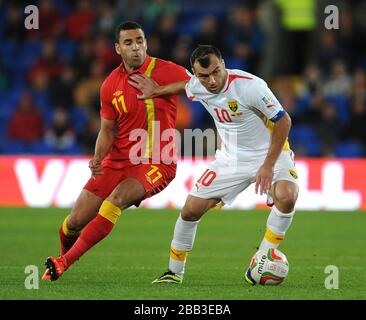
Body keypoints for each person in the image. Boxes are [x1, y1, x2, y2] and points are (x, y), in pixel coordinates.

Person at [128, 45, 299, 284]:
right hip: (231, 159)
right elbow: (186, 87)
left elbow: (283, 121)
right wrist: (157, 91)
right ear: (196, 74)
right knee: (190, 211)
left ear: (223, 63)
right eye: (204, 76)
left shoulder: (251, 86)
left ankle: (262, 257)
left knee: (287, 196)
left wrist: (268, 166)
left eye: (216, 72)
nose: (212, 81)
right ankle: (174, 273)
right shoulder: (199, 85)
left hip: (271, 153)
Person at [42, 21, 190, 281]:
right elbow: (108, 129)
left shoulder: (165, 70)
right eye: (129, 43)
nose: (136, 48)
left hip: (157, 161)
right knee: (74, 222)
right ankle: (65, 261)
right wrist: (99, 156)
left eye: (140, 41)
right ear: (118, 48)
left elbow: (201, 88)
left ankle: (64, 261)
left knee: (115, 201)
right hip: (117, 159)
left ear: (146, 43)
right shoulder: (110, 84)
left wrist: (160, 90)